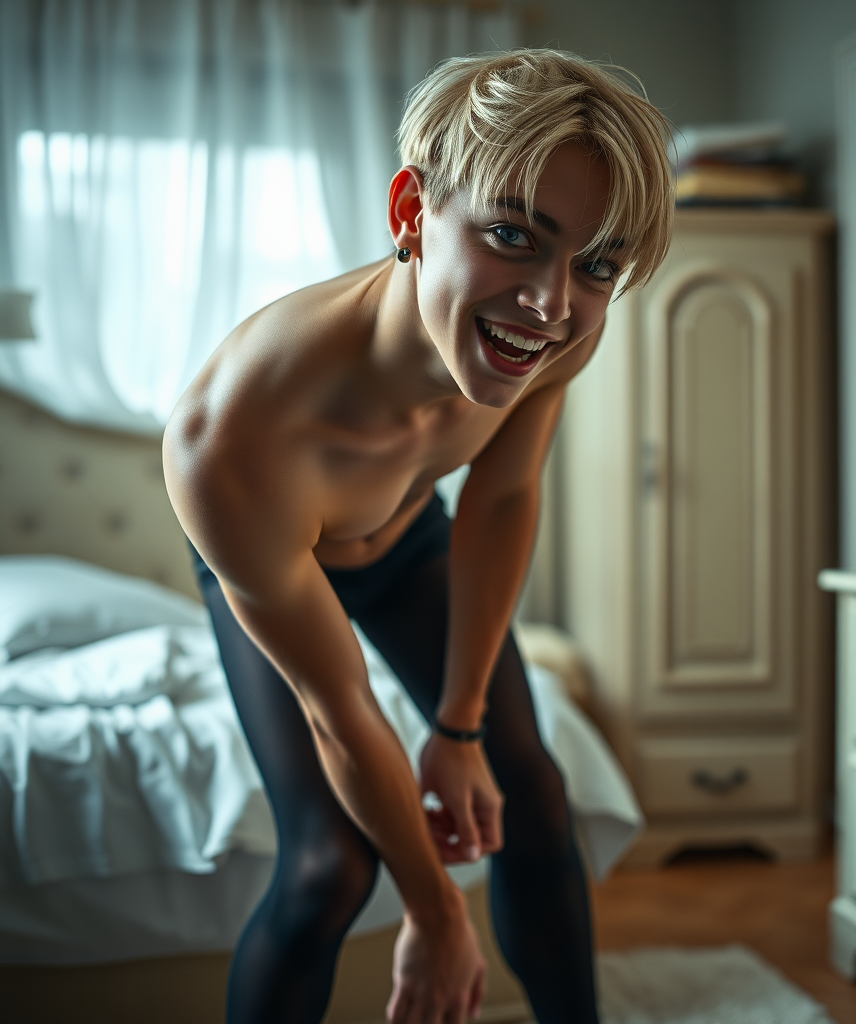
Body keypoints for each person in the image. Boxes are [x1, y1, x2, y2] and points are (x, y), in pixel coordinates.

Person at [163, 48, 673, 1024]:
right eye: (512, 235)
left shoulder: (549, 335)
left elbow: (502, 495)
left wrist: (460, 723)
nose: (551, 303)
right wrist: (437, 914)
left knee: (530, 787)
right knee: (329, 868)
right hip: (280, 560)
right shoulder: (229, 438)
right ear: (411, 212)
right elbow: (339, 705)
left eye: (596, 264)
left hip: (407, 541)